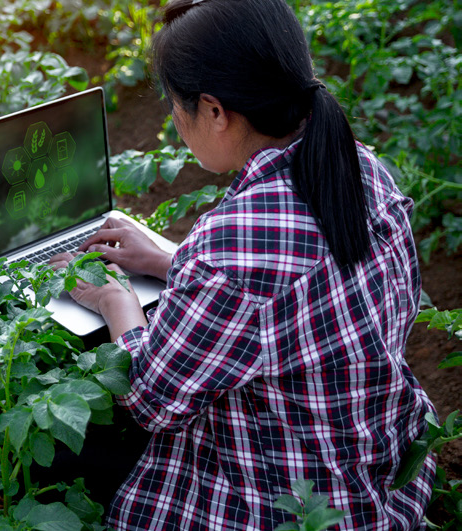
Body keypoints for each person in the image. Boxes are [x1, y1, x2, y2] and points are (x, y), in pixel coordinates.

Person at [47, 0, 437, 528]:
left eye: (173, 105)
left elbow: (149, 400)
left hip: (294, 503)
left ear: (213, 110)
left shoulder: (232, 246)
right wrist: (170, 262)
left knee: (70, 450)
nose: (173, 119)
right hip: (383, 469)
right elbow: (292, 291)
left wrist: (116, 297)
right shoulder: (358, 165)